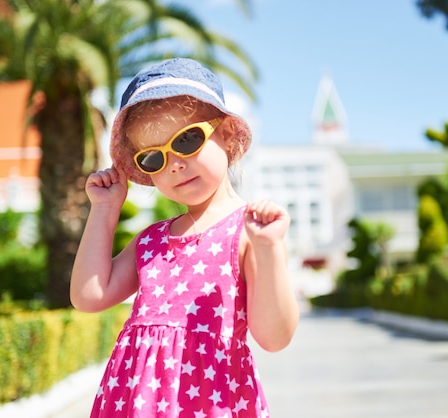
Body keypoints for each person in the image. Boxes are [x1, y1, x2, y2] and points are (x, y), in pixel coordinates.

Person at [70, 58, 299, 418]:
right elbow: (89, 296)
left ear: (225, 133)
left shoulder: (252, 230)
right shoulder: (152, 241)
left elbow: (274, 337)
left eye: (187, 140)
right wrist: (104, 210)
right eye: (152, 159)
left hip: (211, 403)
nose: (174, 163)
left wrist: (268, 249)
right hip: (137, 401)